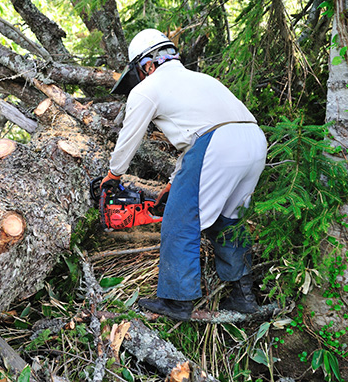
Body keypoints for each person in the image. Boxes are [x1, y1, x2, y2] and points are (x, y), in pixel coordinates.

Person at [101, 29, 267, 321]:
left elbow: (130, 135)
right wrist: (173, 183)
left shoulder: (148, 88)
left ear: (147, 65)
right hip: (253, 140)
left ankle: (176, 301)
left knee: (180, 220)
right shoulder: (203, 80)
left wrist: (114, 174)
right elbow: (196, 141)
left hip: (218, 145)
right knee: (229, 220)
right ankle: (243, 296)